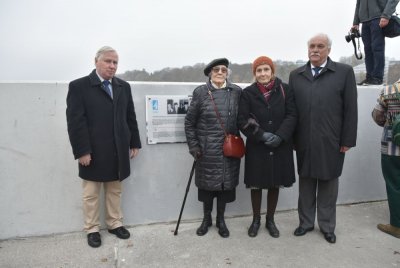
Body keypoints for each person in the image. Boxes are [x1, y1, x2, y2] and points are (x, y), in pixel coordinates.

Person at [66, 46, 141, 248]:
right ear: (96, 61)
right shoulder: (79, 86)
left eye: (115, 62)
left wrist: (134, 141)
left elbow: (130, 116)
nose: (112, 65)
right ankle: (91, 229)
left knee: (114, 190)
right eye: (108, 61)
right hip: (93, 151)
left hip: (118, 149)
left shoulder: (123, 86)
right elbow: (75, 122)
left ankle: (115, 224)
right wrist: (82, 150)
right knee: (91, 193)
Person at [289, 33, 358, 244]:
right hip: (304, 140)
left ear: (329, 49)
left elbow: (350, 109)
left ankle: (327, 226)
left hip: (332, 140)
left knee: (328, 184)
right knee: (306, 183)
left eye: (320, 46)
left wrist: (347, 139)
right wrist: (291, 138)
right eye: (312, 46)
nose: (315, 50)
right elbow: (291, 110)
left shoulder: (344, 72)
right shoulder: (296, 75)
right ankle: (306, 223)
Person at [237, 56, 297, 238]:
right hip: (257, 146)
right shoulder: (247, 93)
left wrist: (280, 136)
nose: (263, 73)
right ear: (255, 73)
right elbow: (242, 119)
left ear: (272, 71)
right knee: (256, 185)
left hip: (280, 145)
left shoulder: (285, 90)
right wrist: (260, 135)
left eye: (266, 69)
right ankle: (256, 220)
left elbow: (292, 115)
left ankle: (270, 220)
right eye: (259, 70)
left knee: (274, 184)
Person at [185, 58, 242, 238]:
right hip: (206, 151)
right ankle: (206, 219)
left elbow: (244, 117)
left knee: (224, 188)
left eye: (223, 70)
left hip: (228, 150)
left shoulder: (236, 92)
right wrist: (194, 146)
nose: (219, 72)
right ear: (210, 73)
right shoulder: (201, 92)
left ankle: (221, 220)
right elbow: (189, 122)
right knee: (207, 188)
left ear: (227, 73)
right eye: (216, 70)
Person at [372, 80, 400, 239]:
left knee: (394, 185)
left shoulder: (389, 90)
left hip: (392, 148)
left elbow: (377, 116)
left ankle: (396, 226)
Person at [352, 0, 399, 85]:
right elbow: (359, 3)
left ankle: (377, 77)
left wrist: (386, 15)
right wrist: (356, 22)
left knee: (377, 48)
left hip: (378, 18)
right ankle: (370, 77)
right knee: (368, 50)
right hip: (365, 21)